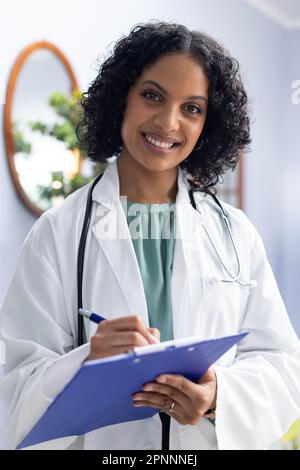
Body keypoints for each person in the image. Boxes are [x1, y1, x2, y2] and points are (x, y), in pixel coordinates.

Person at [1, 21, 300, 451]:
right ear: (122, 97)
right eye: (152, 95)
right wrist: (88, 359)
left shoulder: (235, 233)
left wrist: (217, 396)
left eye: (192, 108)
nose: (168, 122)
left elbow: (282, 365)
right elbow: (17, 395)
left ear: (207, 125)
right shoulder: (58, 232)